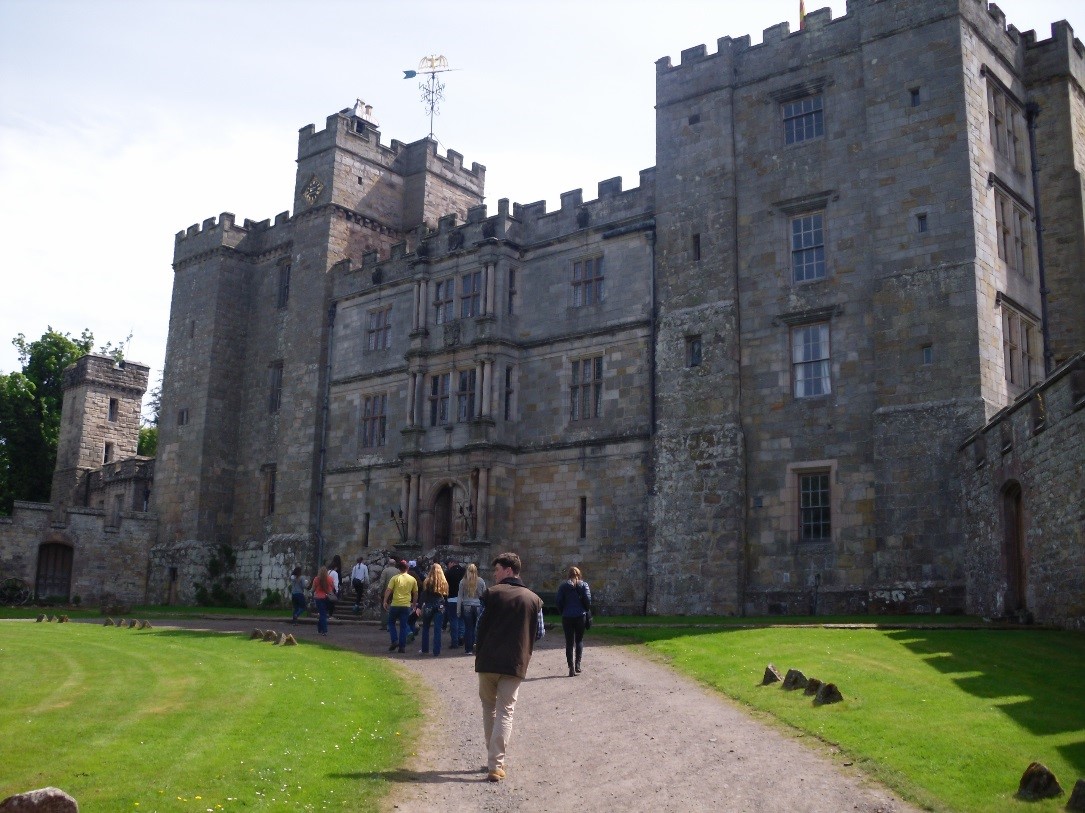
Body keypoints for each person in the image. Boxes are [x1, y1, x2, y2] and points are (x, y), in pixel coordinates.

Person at [474, 552, 545, 783]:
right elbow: (540, 633)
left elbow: (478, 626)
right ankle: (496, 763)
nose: (494, 575)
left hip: (488, 661)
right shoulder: (533, 599)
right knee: (506, 711)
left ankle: (492, 759)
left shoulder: (491, 595)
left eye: (497, 570)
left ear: (508, 570)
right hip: (514, 661)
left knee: (489, 708)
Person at [556, 566, 592, 676]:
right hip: (580, 616)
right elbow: (588, 600)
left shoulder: (563, 586)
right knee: (579, 640)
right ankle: (578, 665)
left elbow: (558, 601)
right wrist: (585, 610)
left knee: (569, 642)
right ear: (579, 574)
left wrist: (563, 611)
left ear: (568, 575)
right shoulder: (584, 585)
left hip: (567, 616)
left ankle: (570, 667)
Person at [382, 559, 418, 653]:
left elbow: (388, 590)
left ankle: (394, 640)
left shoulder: (395, 578)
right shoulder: (412, 579)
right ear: (407, 568)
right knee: (403, 626)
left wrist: (385, 601)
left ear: (399, 569)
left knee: (391, 623)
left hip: (395, 604)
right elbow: (415, 593)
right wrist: (414, 604)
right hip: (406, 605)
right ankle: (402, 647)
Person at [418, 562, 449, 656]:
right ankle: (436, 651)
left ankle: (425, 649)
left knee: (426, 627)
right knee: (437, 629)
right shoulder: (444, 582)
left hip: (429, 605)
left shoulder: (427, 581)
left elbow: (423, 595)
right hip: (440, 605)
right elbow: (446, 596)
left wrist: (419, 606)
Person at [457, 563, 485, 655]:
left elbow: (460, 597)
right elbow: (484, 595)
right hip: (477, 606)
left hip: (466, 606)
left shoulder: (463, 582)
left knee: (468, 628)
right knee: (477, 628)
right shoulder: (480, 581)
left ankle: (468, 649)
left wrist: (458, 610)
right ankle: (477, 647)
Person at [444, 558, 466, 647]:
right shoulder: (464, 571)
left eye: (448, 564)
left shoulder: (448, 573)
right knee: (461, 619)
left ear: (452, 563)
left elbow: (445, 586)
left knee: (454, 620)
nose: (447, 566)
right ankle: (461, 637)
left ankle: (454, 642)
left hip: (452, 598)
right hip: (463, 599)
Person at [310, 566, 335, 636]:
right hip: (327, 598)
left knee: (322, 614)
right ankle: (321, 629)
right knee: (323, 614)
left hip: (318, 598)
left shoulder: (316, 579)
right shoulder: (330, 579)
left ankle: (323, 630)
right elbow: (333, 587)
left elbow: (313, 589)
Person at [377, 555, 398, 630]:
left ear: (388, 563)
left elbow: (382, 582)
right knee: (393, 608)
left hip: (385, 592)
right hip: (395, 593)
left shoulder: (385, 571)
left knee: (384, 608)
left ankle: (384, 624)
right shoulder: (398, 571)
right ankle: (392, 624)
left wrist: (379, 592)